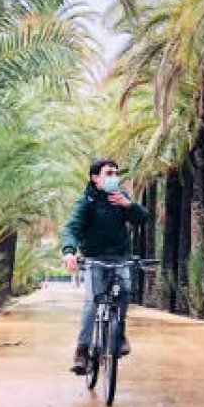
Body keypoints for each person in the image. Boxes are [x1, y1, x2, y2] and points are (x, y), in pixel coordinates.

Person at [61, 160, 150, 374]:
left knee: (126, 292)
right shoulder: (87, 202)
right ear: (95, 177)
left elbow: (143, 218)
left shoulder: (120, 198)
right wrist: (69, 252)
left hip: (119, 258)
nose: (114, 177)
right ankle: (82, 350)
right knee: (93, 301)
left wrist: (129, 206)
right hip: (94, 260)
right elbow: (71, 228)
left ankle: (118, 336)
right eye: (109, 173)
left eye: (116, 173)